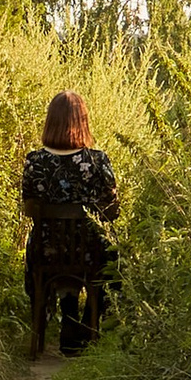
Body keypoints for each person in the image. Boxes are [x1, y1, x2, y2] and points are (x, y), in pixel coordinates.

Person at [21, 88, 119, 359]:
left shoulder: (35, 161)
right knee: (114, 257)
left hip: (47, 253)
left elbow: (28, 208)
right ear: (83, 121)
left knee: (44, 251)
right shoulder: (97, 161)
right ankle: (90, 320)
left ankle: (67, 307)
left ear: (50, 121)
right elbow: (113, 210)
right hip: (89, 253)